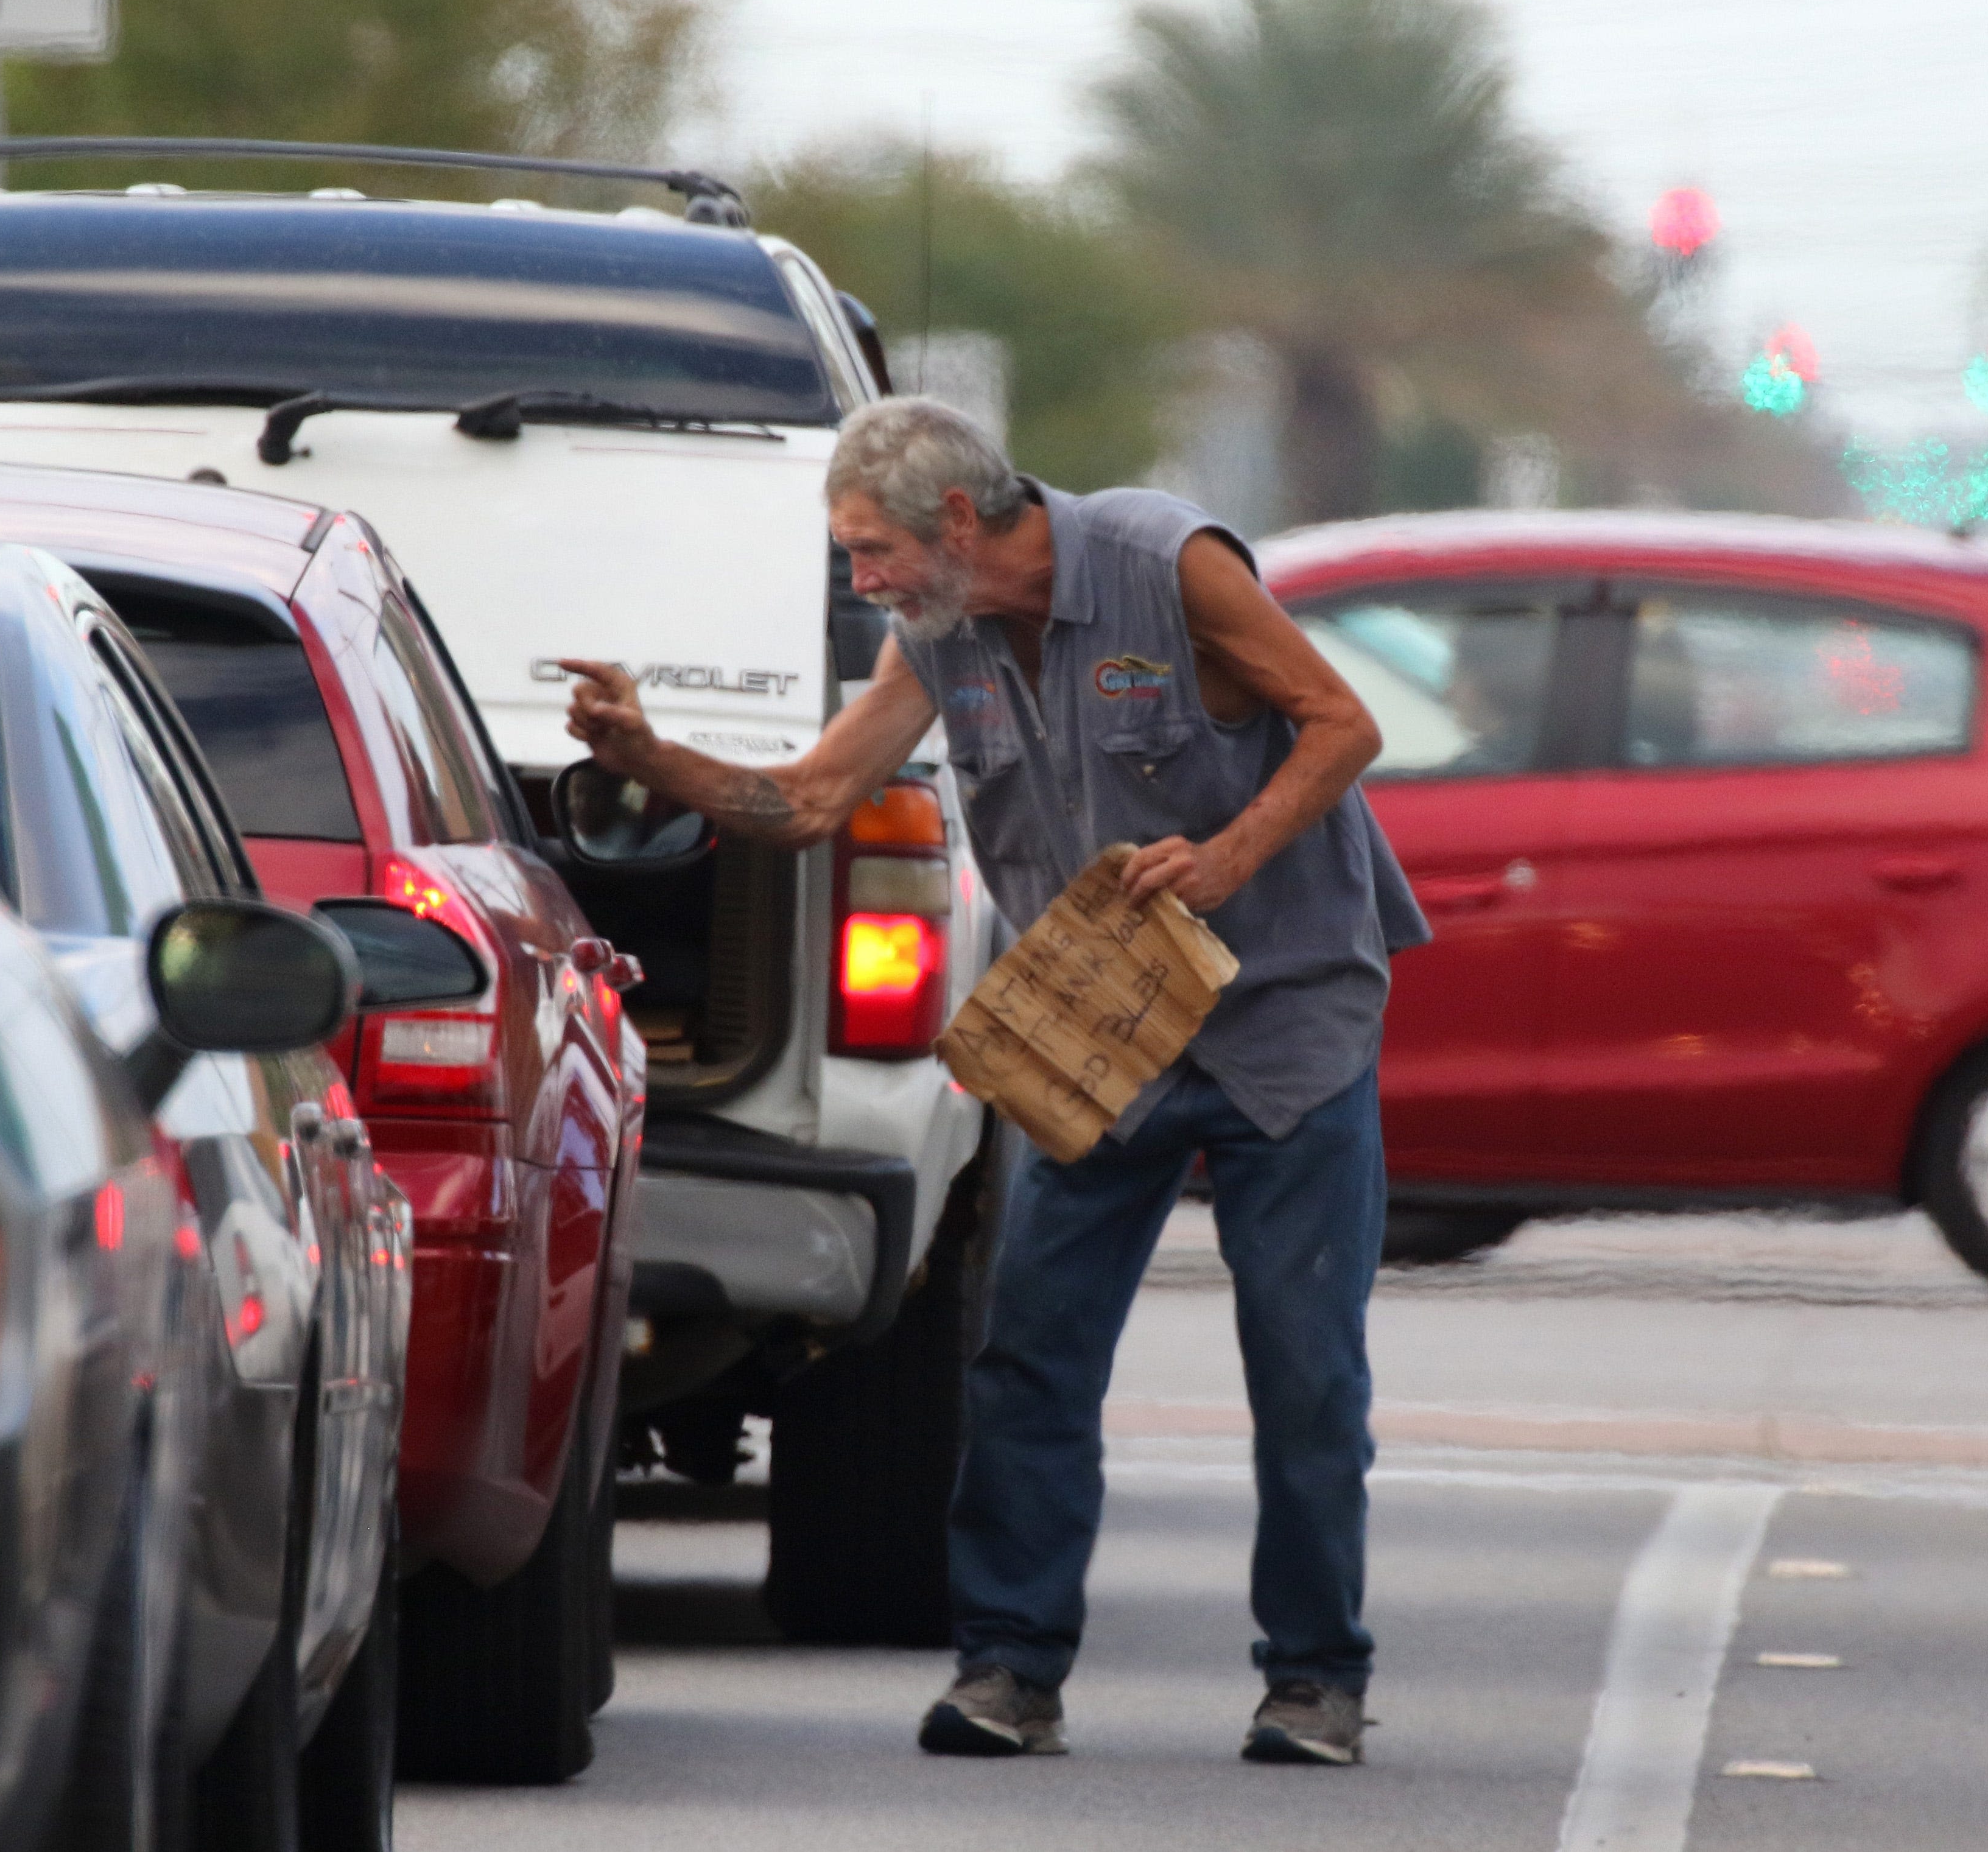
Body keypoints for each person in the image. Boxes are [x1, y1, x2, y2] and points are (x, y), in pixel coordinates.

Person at [559, 396, 1428, 1767]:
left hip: (1287, 1024)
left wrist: (1226, 858)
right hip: (1092, 1040)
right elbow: (808, 802)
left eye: (870, 551)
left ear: (956, 520)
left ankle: (1314, 1679)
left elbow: (1341, 724)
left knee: (1304, 1372)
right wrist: (650, 758)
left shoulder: (1166, 561)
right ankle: (1010, 1672)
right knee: (1027, 1360)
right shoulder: (939, 632)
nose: (864, 584)